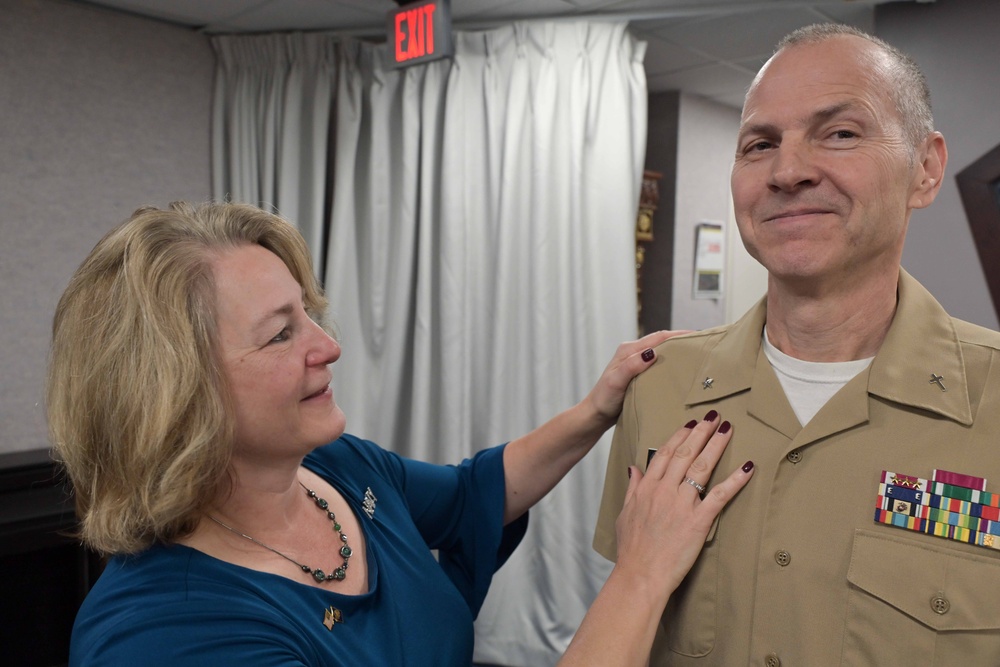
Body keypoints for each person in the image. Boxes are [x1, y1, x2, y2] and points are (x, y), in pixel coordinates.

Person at [48, 201, 752, 666]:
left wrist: (599, 407)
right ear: (176, 392)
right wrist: (642, 572)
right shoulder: (165, 634)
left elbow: (481, 488)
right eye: (281, 334)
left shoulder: (336, 469)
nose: (328, 345)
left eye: (309, 313)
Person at [595, 22, 1000, 667]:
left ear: (924, 169)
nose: (787, 171)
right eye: (759, 144)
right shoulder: (661, 388)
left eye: (840, 134)